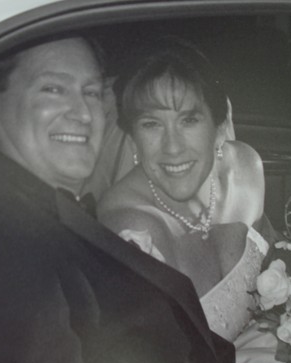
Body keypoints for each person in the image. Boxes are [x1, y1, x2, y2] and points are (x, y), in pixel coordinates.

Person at [0, 36, 291, 363]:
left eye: (91, 92)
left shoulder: (47, 210)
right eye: (53, 89)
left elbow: (164, 361)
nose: (82, 112)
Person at [98, 38, 276, 344]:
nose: (172, 147)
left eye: (189, 120)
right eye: (151, 124)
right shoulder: (131, 229)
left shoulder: (247, 169)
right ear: (133, 139)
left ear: (219, 128)